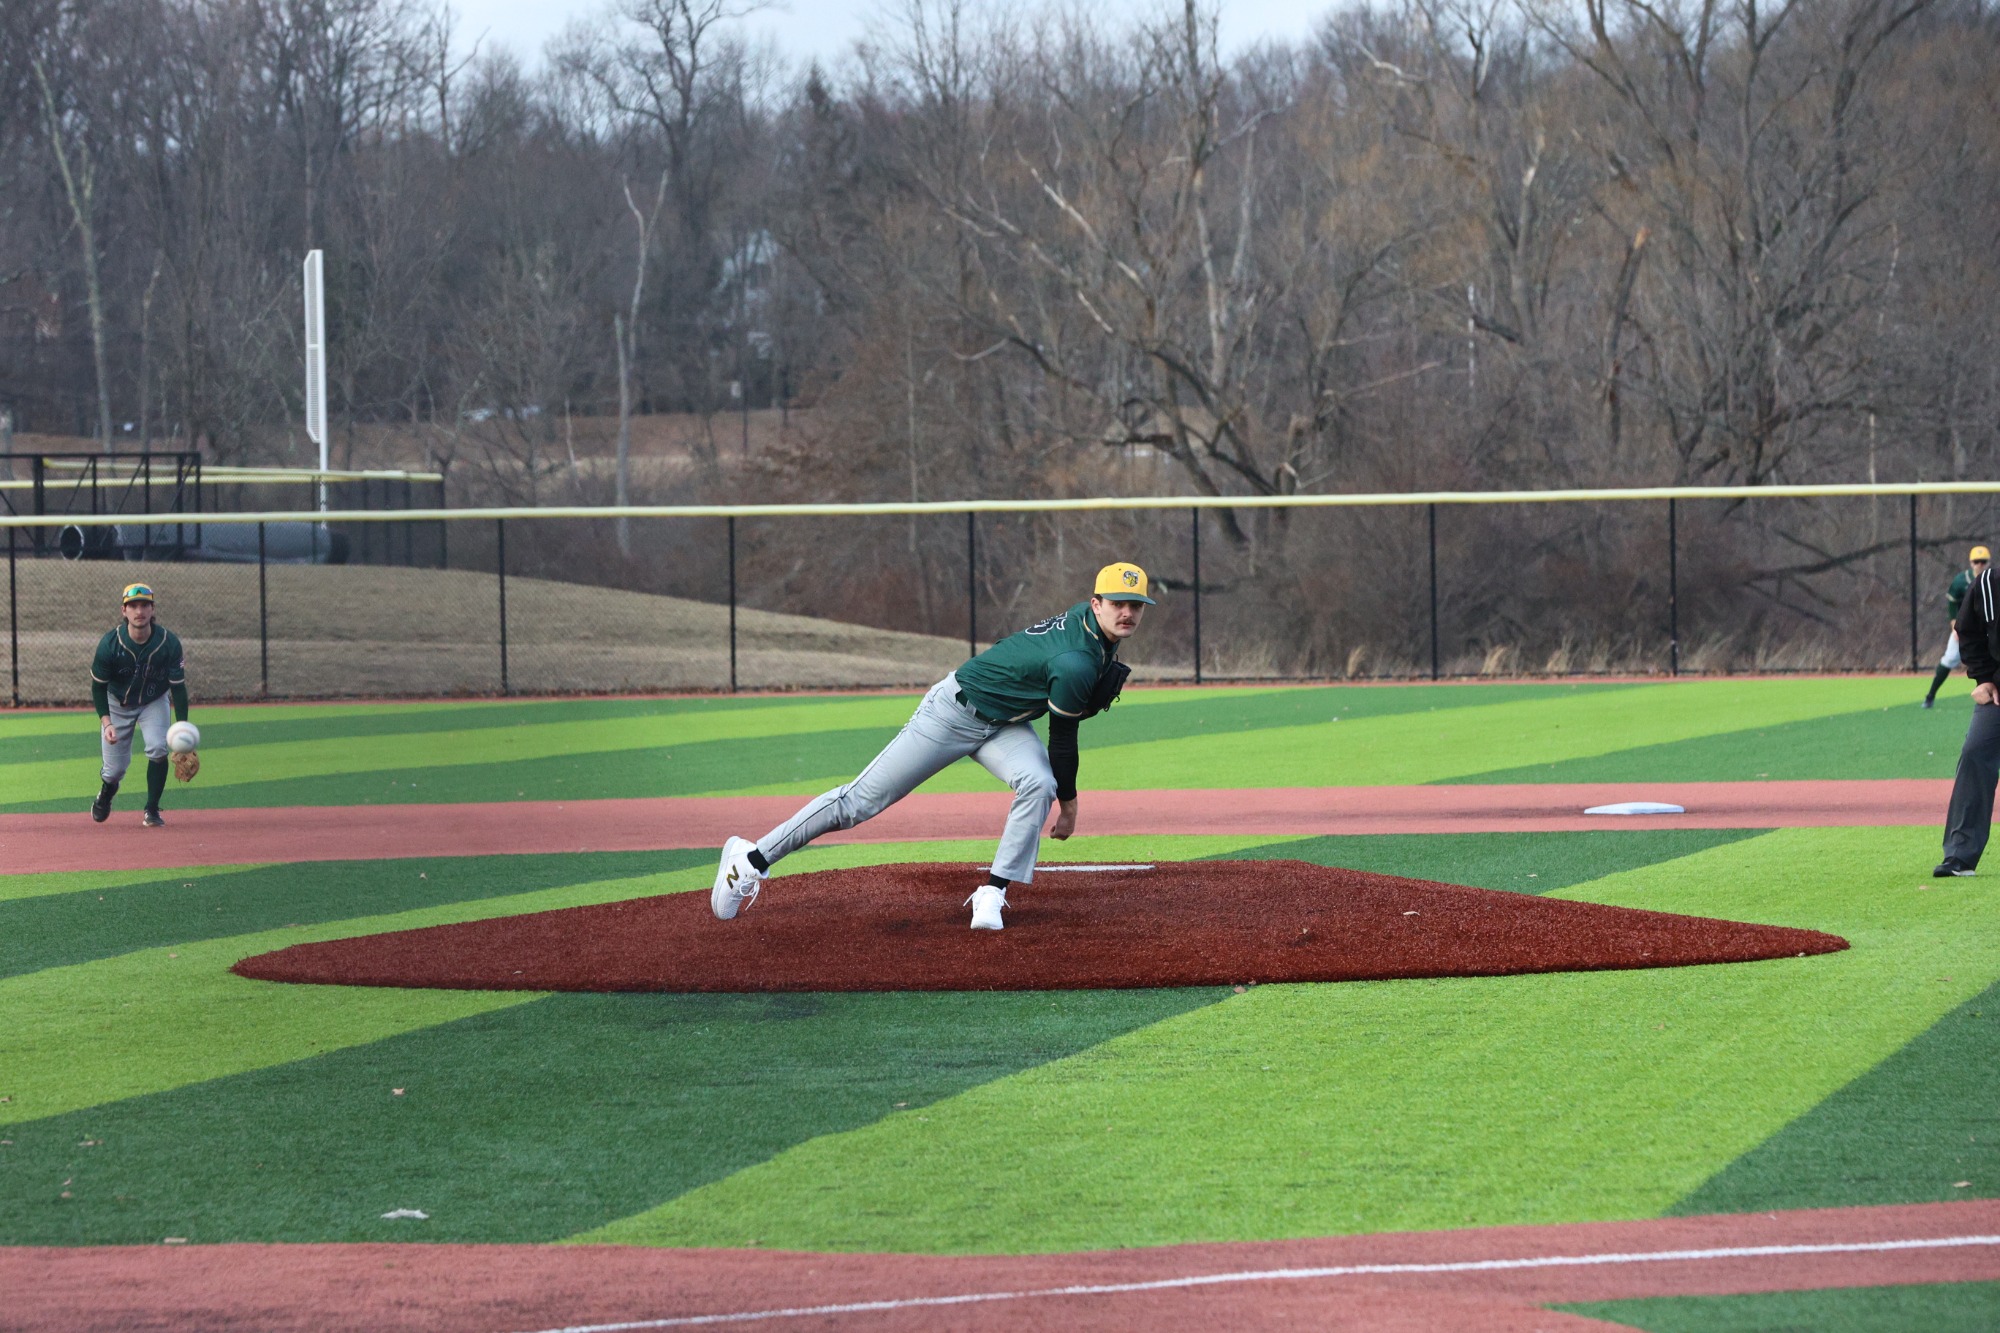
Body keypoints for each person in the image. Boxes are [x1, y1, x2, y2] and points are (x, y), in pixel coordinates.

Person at [711, 562, 1155, 930]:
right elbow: (1062, 740)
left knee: (1037, 784)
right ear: (1095, 603)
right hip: (952, 714)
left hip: (1004, 725)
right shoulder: (1076, 661)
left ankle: (993, 891)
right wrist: (1070, 807)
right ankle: (749, 859)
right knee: (857, 803)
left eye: (1135, 605)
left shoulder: (1089, 628)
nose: (1126, 613)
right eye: (1117, 603)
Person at [90, 582, 197, 827]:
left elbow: (178, 687)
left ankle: (152, 809)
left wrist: (182, 728)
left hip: (153, 701)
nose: (139, 611)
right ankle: (107, 790)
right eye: (133, 606)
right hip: (117, 703)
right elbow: (98, 687)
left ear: (152, 609)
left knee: (158, 748)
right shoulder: (109, 644)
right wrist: (106, 722)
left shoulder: (168, 643)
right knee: (114, 771)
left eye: (145, 605)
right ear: (124, 610)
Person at [1924, 545, 1990, 708]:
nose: (1979, 565)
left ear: (1988, 562)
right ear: (1971, 562)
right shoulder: (1961, 581)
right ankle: (1930, 695)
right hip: (1966, 629)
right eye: (1976, 561)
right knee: (1949, 659)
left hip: (1988, 629)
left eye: (1983, 561)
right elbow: (1952, 604)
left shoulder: (1992, 580)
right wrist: (1955, 626)